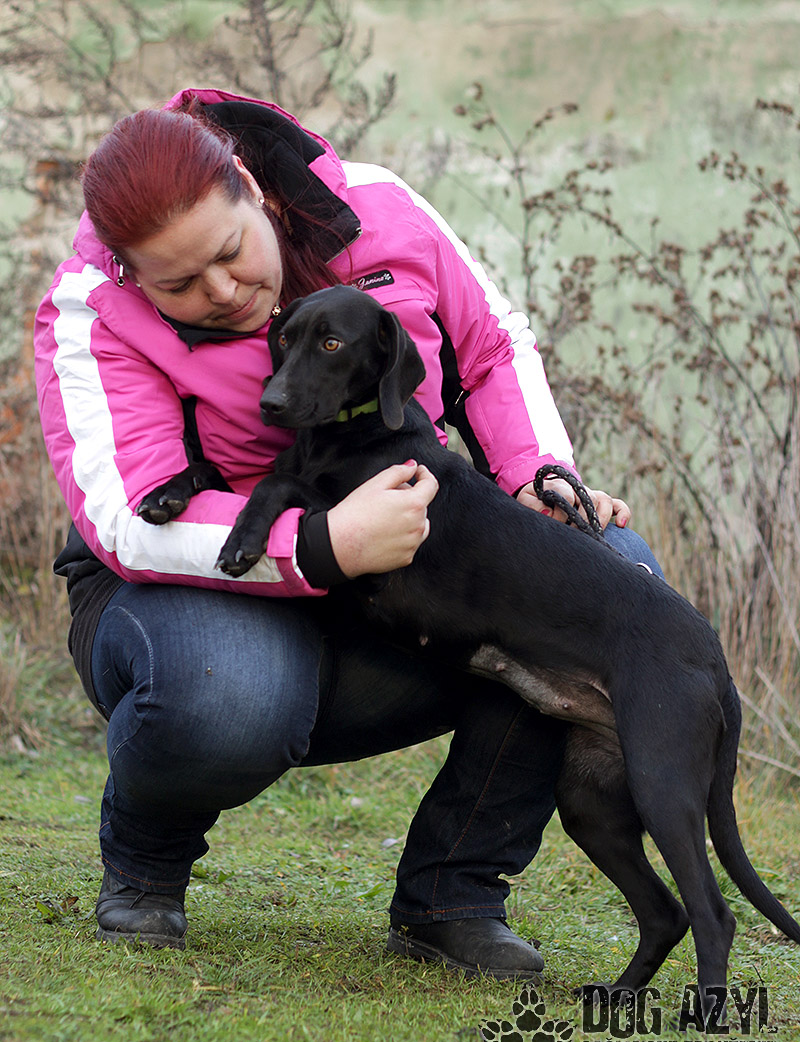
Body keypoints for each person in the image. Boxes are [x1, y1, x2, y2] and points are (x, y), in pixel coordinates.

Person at [34, 88, 662, 974]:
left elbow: (490, 348)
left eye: (230, 252)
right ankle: (146, 862)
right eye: (180, 285)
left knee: (618, 573)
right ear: (135, 275)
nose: (223, 291)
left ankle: (453, 893)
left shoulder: (377, 207)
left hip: (390, 569)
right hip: (188, 591)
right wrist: (321, 542)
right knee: (226, 689)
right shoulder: (90, 309)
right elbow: (127, 518)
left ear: (251, 186)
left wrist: (536, 475)